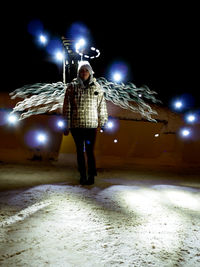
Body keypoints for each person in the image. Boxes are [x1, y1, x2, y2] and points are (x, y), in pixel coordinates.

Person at [62, 61, 108, 185]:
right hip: (76, 126)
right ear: (79, 73)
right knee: (79, 152)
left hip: (91, 127)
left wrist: (103, 122)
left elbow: (102, 107)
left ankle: (91, 175)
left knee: (90, 151)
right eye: (82, 71)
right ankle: (82, 175)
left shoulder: (97, 88)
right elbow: (67, 107)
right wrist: (66, 125)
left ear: (90, 72)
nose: (84, 73)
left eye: (86, 70)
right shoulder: (72, 86)